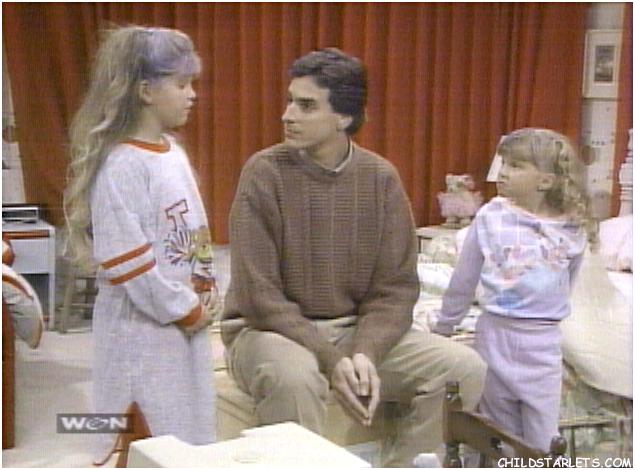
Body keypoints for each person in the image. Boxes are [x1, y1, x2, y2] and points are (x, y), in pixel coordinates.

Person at [221, 48, 486, 467]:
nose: (288, 115)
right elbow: (259, 295)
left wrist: (364, 353)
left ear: (344, 117)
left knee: (463, 368)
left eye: (306, 105)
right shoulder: (264, 172)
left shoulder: (380, 178)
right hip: (269, 332)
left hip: (352, 330)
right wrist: (332, 360)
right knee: (294, 378)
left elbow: (396, 290)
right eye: (290, 101)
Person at [63, 26, 219, 464]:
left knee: (188, 425)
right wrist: (184, 308)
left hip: (182, 322)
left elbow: (193, 227)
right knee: (146, 434)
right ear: (146, 90)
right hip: (142, 332)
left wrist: (205, 282)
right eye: (182, 84)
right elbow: (127, 263)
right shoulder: (122, 166)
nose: (192, 95)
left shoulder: (173, 153)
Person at [433, 128, 594, 452]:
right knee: (498, 432)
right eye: (503, 163)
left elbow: (567, 282)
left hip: (542, 342)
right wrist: (445, 326)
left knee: (542, 438)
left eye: (516, 166)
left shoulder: (571, 227)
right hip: (494, 333)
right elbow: (464, 280)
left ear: (545, 180)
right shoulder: (491, 216)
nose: (502, 173)